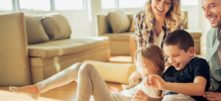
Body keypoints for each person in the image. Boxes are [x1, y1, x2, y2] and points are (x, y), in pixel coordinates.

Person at [9, 45, 165, 101]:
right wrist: (122, 91)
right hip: (114, 97)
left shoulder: (156, 81)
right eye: (139, 66)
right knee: (79, 67)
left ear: (158, 66)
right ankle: (38, 88)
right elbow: (133, 94)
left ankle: (38, 89)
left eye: (145, 66)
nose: (141, 71)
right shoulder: (144, 80)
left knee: (87, 68)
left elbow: (153, 98)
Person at [130, 0, 184, 89]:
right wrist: (140, 71)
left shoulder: (177, 22)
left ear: (172, 4)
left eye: (167, 2)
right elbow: (142, 51)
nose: (161, 6)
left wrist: (161, 78)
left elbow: (175, 56)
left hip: (169, 70)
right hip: (147, 69)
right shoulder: (140, 18)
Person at [132, 30, 210, 101]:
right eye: (168, 56)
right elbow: (163, 98)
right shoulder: (169, 71)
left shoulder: (199, 63)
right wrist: (149, 99)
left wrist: (165, 85)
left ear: (190, 51)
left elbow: (199, 89)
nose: (171, 61)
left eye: (176, 55)